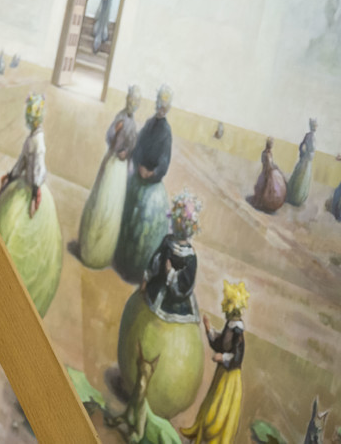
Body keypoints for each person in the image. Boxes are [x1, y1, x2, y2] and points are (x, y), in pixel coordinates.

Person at [116, 191, 206, 421]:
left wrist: (170, 275)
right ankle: (134, 385)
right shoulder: (168, 242)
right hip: (154, 294)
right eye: (179, 223)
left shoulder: (191, 256)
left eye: (184, 224)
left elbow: (185, 285)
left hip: (177, 303)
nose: (180, 228)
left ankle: (160, 402)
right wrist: (148, 277)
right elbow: (156, 260)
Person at [0, 93, 62, 316]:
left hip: (32, 190)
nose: (30, 120)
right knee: (5, 227)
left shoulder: (38, 142)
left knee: (29, 244)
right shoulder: (31, 139)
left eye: (32, 116)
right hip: (22, 186)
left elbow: (38, 170)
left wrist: (36, 191)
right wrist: (11, 176)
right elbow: (22, 161)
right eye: (30, 116)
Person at [79, 84, 143, 269]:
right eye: (131, 100)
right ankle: (91, 250)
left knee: (113, 208)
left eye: (136, 102)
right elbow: (109, 137)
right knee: (102, 204)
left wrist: (128, 153)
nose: (133, 104)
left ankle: (103, 253)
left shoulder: (134, 123)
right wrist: (115, 132)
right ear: (127, 100)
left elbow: (132, 147)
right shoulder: (120, 117)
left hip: (121, 169)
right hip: (112, 163)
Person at [115, 85, 174, 282]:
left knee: (144, 227)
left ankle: (138, 271)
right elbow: (138, 145)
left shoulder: (166, 132)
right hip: (138, 177)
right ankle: (122, 262)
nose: (160, 109)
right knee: (126, 217)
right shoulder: (149, 124)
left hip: (152, 184)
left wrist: (152, 173)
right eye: (159, 105)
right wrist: (137, 162)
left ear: (167, 109)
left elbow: (165, 161)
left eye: (164, 107)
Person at [180, 279, 249, 443]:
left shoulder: (237, 330)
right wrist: (208, 328)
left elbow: (237, 356)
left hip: (230, 379)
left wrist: (222, 357)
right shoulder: (230, 326)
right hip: (222, 374)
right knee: (209, 405)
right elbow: (220, 343)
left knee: (217, 414)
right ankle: (198, 434)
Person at [250, 136, 288, 213]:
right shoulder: (265, 153)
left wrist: (275, 167)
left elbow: (271, 163)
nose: (271, 145)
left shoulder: (269, 153)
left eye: (272, 144)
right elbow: (267, 164)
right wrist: (272, 168)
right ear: (268, 144)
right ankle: (262, 202)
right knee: (265, 186)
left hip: (269, 170)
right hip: (266, 172)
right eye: (270, 144)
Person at [286, 118, 317, 206]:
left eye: (316, 126)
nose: (315, 127)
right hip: (305, 160)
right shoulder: (308, 136)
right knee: (300, 178)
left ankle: (300, 198)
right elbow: (302, 145)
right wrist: (303, 154)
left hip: (309, 161)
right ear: (311, 126)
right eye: (314, 125)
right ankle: (295, 197)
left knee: (304, 179)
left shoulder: (313, 137)